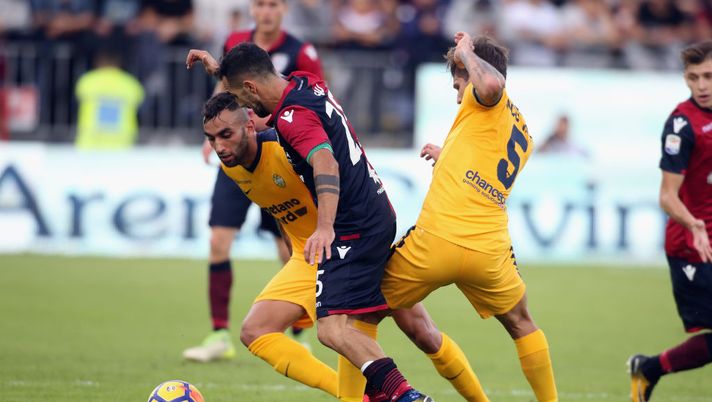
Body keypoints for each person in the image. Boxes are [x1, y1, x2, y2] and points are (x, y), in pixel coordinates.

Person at [187, 43, 431, 402]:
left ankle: (403, 395)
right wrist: (221, 72)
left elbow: (325, 163)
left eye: (240, 97)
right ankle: (377, 395)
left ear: (251, 91)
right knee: (264, 330)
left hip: (349, 228)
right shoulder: (306, 83)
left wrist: (326, 226)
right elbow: (258, 88)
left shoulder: (289, 121)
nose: (246, 111)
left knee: (340, 328)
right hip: (351, 226)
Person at [380, 32, 558, 402]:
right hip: (488, 250)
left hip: (437, 240)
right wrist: (448, 154)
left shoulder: (487, 92)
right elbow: (483, 168)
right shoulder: (520, 129)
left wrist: (464, 52)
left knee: (358, 313)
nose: (457, 92)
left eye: (458, 82)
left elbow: (490, 83)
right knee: (522, 323)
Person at [183, 0, 323, 362]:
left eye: (273, 5)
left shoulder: (300, 51)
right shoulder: (235, 42)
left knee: (289, 250)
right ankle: (218, 335)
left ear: (283, 11)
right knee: (218, 241)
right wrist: (213, 135)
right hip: (234, 155)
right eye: (260, 4)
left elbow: (312, 99)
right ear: (252, 10)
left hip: (275, 159)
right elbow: (224, 94)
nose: (266, 12)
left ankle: (300, 334)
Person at [628, 40, 712, 402]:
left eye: (708, 76)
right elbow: (667, 195)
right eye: (694, 78)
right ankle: (650, 369)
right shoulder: (682, 124)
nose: (702, 86)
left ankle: (649, 369)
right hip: (692, 246)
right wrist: (694, 224)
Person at [74, 46, 144, 149]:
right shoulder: (130, 82)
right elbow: (139, 101)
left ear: (98, 63)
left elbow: (79, 96)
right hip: (122, 139)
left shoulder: (88, 80)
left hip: (91, 139)